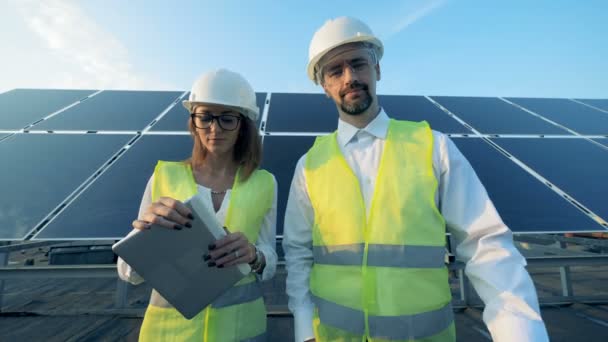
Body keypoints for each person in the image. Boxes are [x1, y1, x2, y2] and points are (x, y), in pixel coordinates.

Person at [282, 17, 549, 342]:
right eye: (335, 71)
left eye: (358, 64)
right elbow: (297, 253)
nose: (349, 78)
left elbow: (485, 244)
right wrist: (304, 331)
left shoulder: (433, 147)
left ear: (377, 69)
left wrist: (521, 334)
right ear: (324, 86)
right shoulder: (309, 166)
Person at [117, 68, 277, 341]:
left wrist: (254, 255)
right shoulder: (164, 177)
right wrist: (145, 235)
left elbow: (270, 261)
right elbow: (127, 272)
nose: (214, 128)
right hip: (168, 335)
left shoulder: (265, 183)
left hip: (241, 332)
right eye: (205, 117)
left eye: (227, 118)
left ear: (243, 125)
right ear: (194, 122)